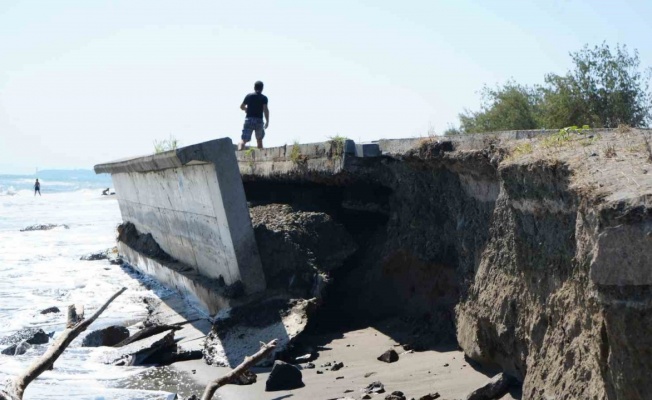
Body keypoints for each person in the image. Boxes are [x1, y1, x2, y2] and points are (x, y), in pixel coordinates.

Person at [238, 81, 269, 150]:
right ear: (262, 88)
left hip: (249, 119)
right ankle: (260, 157)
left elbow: (241, 106)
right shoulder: (264, 98)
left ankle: (239, 153)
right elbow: (265, 109)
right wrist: (267, 121)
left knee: (243, 140)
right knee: (259, 140)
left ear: (254, 87)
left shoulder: (249, 96)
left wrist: (246, 109)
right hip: (259, 120)